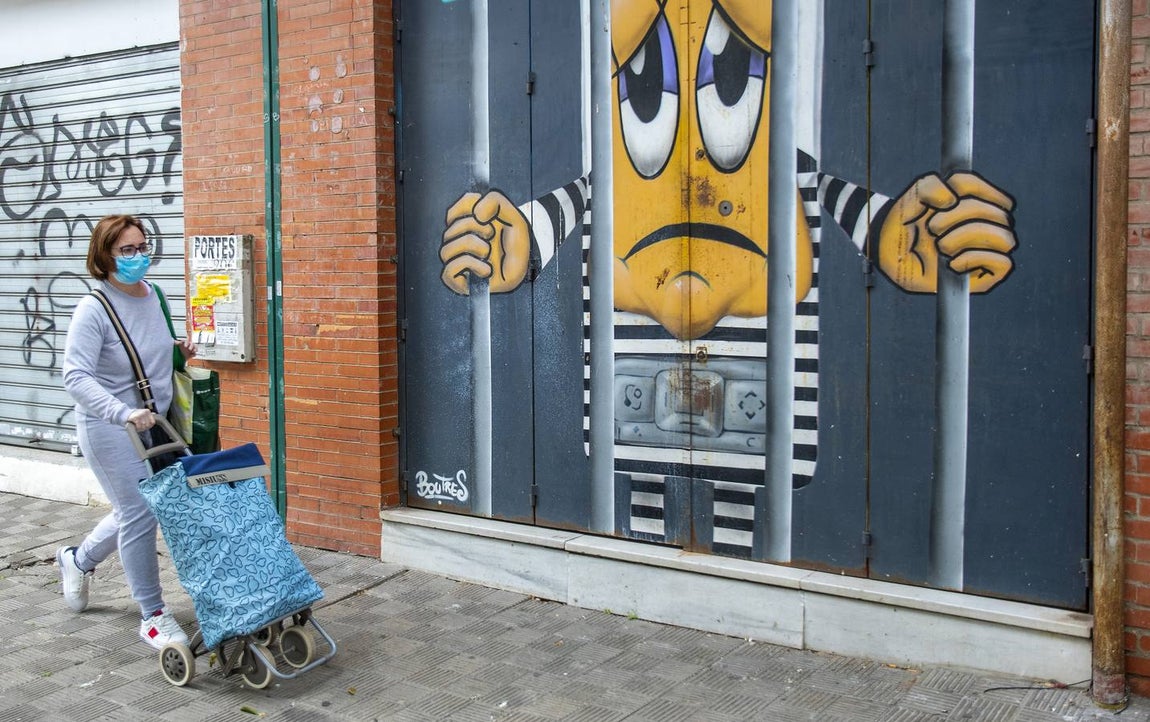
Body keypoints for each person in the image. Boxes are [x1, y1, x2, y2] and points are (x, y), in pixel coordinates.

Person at [57, 214, 196, 650]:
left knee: (132, 509)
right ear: (105, 257)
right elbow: (75, 376)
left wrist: (178, 350)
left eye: (142, 246)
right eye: (127, 251)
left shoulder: (153, 294)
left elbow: (146, 350)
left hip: (155, 422)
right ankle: (152, 615)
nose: (139, 256)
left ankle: (78, 561)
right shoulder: (93, 308)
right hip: (109, 426)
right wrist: (122, 412)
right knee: (139, 512)